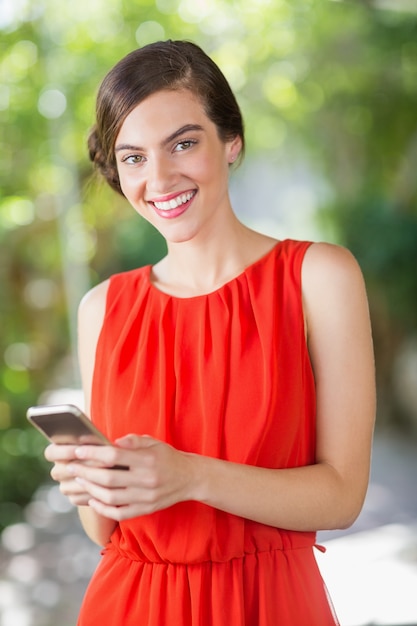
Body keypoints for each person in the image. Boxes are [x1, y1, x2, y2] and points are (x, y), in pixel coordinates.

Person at [45, 40, 375, 625]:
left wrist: (191, 476)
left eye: (183, 143)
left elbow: (343, 496)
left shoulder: (319, 276)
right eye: (134, 157)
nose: (160, 176)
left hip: (268, 605)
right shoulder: (102, 308)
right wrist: (89, 481)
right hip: (128, 605)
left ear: (232, 143)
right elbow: (104, 530)